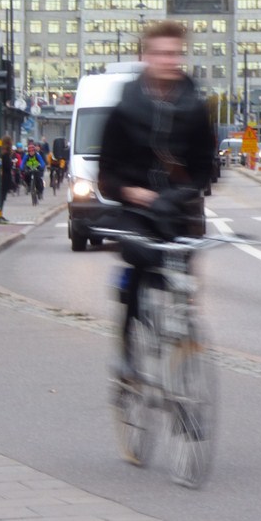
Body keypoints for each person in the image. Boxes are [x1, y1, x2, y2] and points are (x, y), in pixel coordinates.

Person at [98, 20, 215, 381]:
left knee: (183, 280)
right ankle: (129, 355)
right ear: (145, 57)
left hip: (180, 210)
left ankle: (184, 367)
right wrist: (133, 192)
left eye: (176, 53)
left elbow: (207, 168)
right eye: (162, 53)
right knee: (140, 264)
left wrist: (183, 193)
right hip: (136, 210)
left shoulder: (196, 109)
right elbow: (107, 172)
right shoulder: (124, 110)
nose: (170, 60)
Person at [0, 135, 14, 222]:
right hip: (5, 178)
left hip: (0, 177)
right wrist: (12, 163)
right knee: (2, 198)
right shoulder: (6, 153)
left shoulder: (0, 151)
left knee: (0, 197)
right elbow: (7, 166)